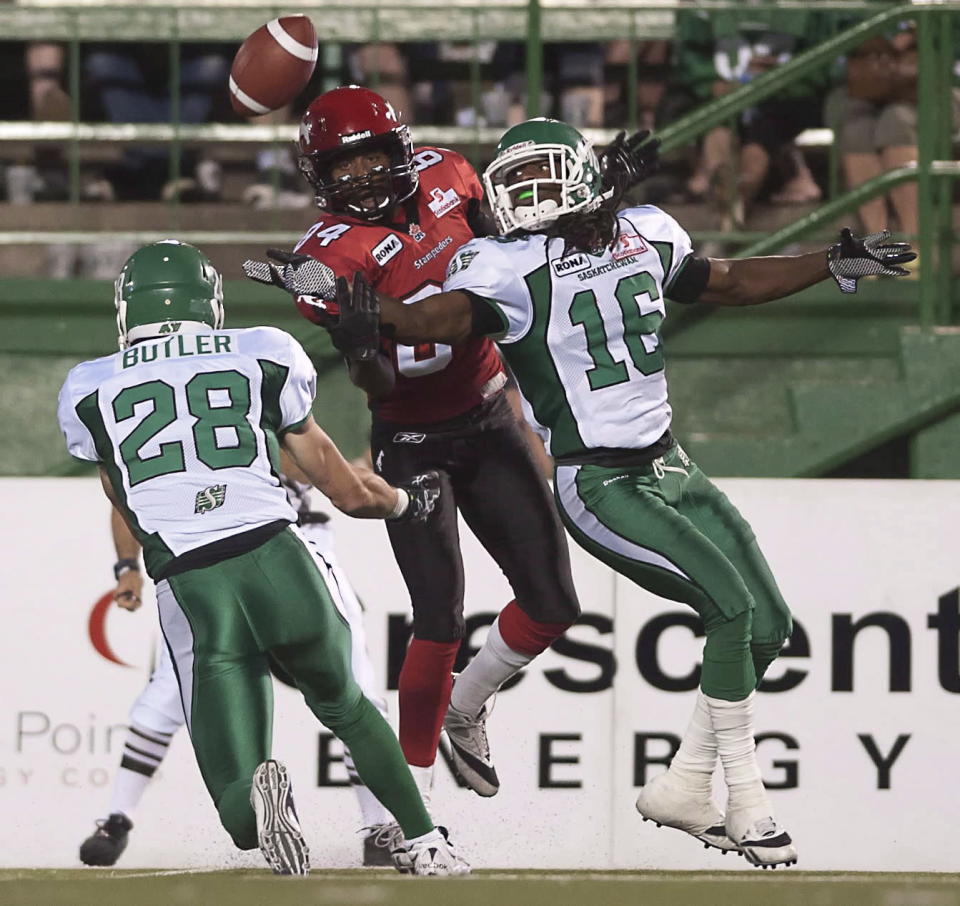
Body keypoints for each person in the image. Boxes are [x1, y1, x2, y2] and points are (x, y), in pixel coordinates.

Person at [271, 118, 915, 868]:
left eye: (546, 181)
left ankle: (682, 784)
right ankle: (746, 803)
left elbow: (733, 282)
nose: (530, 200)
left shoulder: (645, 228)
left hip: (669, 464)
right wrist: (340, 298)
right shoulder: (500, 264)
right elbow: (423, 318)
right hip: (598, 478)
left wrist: (829, 259)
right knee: (726, 611)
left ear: (583, 179)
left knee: (767, 625)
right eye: (516, 186)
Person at [57, 238, 469, 877]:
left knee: (234, 793)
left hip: (195, 585)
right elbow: (345, 490)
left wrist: (149, 551)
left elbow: (121, 491)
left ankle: (258, 804)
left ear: (127, 308)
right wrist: (404, 506)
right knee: (349, 705)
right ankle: (426, 843)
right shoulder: (263, 350)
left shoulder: (89, 386)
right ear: (210, 303)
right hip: (280, 554)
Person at [244, 85, 581, 810]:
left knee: (552, 602)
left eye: (371, 160)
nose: (360, 179)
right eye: (343, 167)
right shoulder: (326, 255)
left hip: (490, 414)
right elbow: (375, 378)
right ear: (318, 176)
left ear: (401, 151)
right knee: (438, 617)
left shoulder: (453, 176)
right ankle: (412, 810)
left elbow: (515, 266)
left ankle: (467, 707)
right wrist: (360, 343)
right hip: (412, 435)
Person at [78, 452, 401, 868]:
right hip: (224, 554)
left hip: (261, 552)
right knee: (167, 696)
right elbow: (124, 491)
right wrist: (126, 565)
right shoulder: (226, 399)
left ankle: (378, 825)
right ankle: (118, 817)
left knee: (352, 689)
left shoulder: (218, 401)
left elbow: (306, 459)